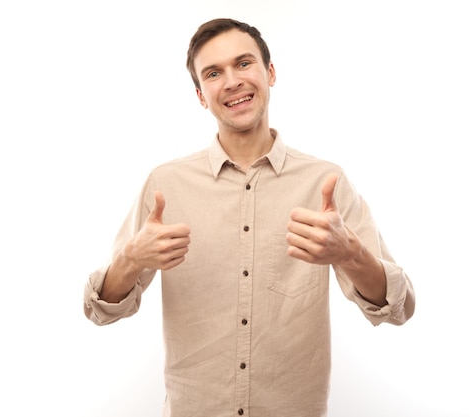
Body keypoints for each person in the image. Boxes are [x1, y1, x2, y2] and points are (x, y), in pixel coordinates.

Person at [83, 17, 415, 417]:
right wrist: (130, 259)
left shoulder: (325, 181)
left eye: (243, 63)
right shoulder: (165, 184)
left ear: (270, 73)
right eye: (213, 73)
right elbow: (102, 309)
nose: (232, 81)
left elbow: (398, 307)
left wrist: (351, 255)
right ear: (201, 96)